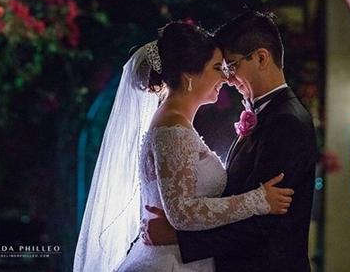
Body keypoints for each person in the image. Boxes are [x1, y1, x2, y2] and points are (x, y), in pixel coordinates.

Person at [73, 20, 294, 272]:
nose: (225, 77)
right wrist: (257, 200)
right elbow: (183, 212)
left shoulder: (176, 124)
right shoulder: (172, 129)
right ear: (189, 75)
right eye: (217, 68)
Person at [143, 11, 318, 272]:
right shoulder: (265, 115)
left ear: (261, 58)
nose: (227, 78)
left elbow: (264, 224)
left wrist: (179, 238)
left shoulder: (287, 121)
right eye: (222, 68)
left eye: (231, 66)